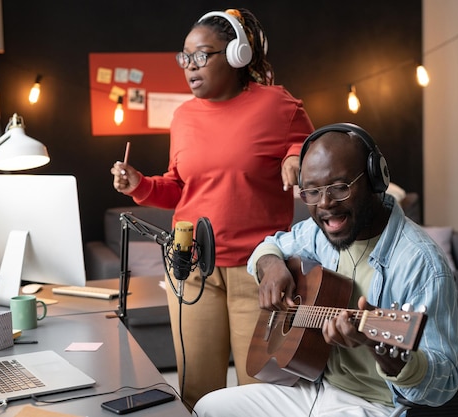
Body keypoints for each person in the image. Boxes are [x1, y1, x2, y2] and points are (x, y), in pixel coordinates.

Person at [110, 8, 314, 408]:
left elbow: (309, 149)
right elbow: (179, 188)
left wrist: (294, 158)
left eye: (201, 55)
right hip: (191, 266)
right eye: (185, 57)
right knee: (195, 391)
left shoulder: (279, 106)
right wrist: (140, 185)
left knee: (260, 394)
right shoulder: (183, 117)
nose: (190, 66)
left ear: (237, 55)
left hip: (259, 271)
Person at [193, 123, 458, 417]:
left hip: (377, 405)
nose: (325, 204)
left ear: (375, 178)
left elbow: (445, 382)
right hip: (312, 386)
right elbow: (272, 245)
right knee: (208, 407)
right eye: (311, 191)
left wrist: (386, 355)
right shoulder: (317, 233)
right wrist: (270, 266)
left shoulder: (420, 263)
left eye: (339, 187)